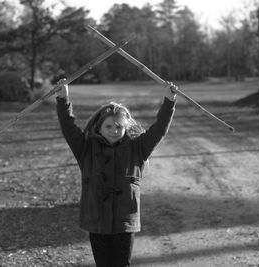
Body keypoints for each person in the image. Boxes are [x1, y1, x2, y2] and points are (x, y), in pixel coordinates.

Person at [55, 79, 178, 267]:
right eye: (109, 127)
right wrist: (63, 99)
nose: (114, 131)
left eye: (119, 127)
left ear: (126, 127)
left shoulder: (138, 148)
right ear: (99, 127)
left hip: (125, 221)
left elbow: (159, 129)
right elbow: (69, 128)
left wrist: (169, 101)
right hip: (96, 220)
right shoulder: (86, 148)